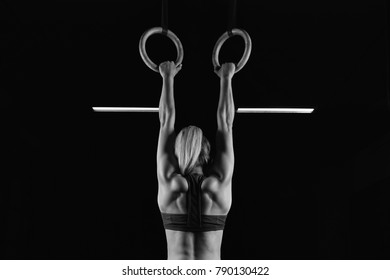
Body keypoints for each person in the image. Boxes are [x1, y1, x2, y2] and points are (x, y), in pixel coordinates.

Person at [156, 61, 235, 260]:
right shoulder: (218, 185)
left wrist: (167, 77)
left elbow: (166, 121)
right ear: (207, 151)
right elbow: (226, 123)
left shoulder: (170, 183)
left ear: (177, 151)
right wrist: (226, 78)